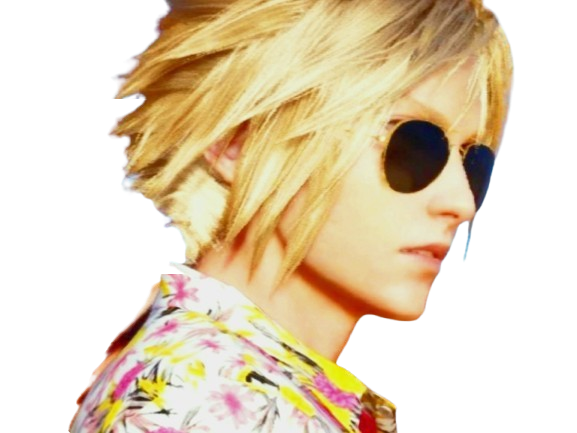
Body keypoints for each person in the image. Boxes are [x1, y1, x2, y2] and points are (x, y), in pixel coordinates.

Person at [70, 0, 514, 431]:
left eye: (474, 162)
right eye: (414, 146)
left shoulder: (246, 392)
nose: (462, 202)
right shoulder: (200, 401)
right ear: (238, 143)